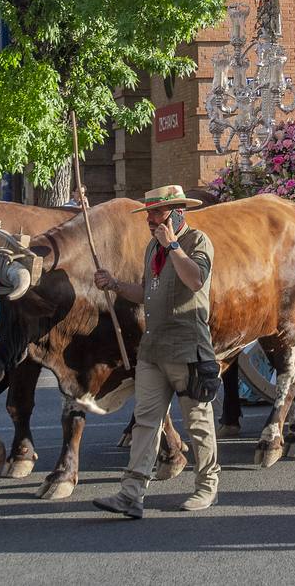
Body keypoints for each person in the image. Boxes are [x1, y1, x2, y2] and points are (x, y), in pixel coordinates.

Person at [92, 184, 220, 519]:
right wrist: (116, 285)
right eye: (148, 213)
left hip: (188, 349)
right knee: (146, 423)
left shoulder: (196, 241)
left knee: (198, 422)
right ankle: (131, 494)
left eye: (157, 213)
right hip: (153, 349)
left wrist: (173, 246)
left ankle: (207, 486)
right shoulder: (153, 249)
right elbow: (147, 293)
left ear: (178, 212)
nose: (150, 219)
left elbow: (195, 280)